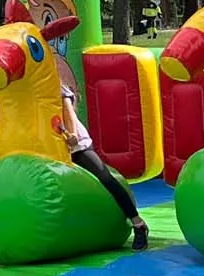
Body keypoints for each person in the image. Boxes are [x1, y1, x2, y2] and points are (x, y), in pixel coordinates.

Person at [58, 81, 150, 249]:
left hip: (76, 146)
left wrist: (72, 135)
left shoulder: (54, 85)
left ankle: (138, 223)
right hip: (51, 149)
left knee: (104, 177)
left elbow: (68, 110)